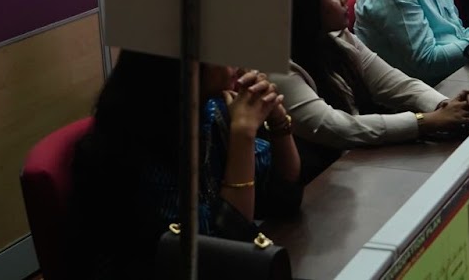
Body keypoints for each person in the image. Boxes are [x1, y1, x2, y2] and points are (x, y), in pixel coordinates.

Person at [69, 50, 300, 275]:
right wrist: (243, 134)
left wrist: (278, 120)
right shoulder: (132, 149)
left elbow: (284, 198)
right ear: (182, 66)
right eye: (220, 46)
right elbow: (218, 257)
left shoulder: (212, 108)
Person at [275, 0, 469, 177]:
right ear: (305, 6)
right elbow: (336, 128)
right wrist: (425, 122)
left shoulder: (338, 37)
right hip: (320, 180)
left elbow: (394, 83)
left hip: (359, 163)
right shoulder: (279, 70)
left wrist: (445, 105)